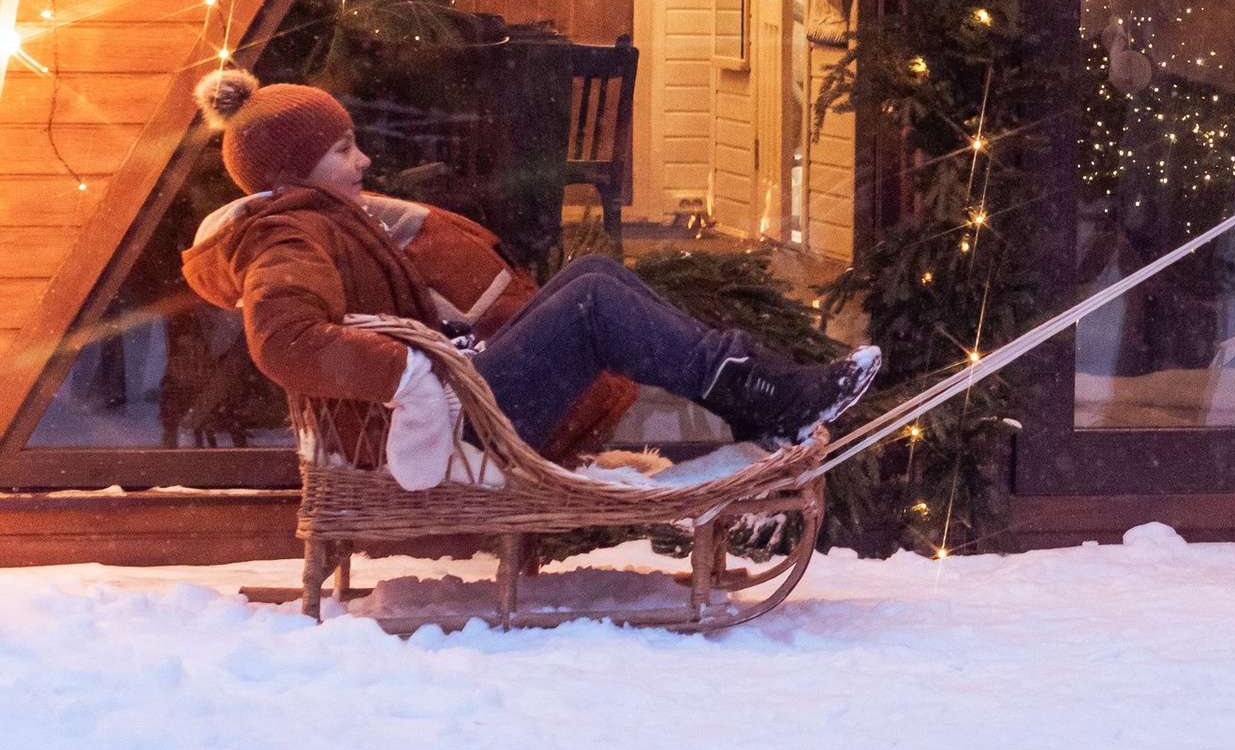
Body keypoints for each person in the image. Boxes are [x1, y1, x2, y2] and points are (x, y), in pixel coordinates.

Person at [181, 68, 878, 487]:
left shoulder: (315, 218)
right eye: (342, 150)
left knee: (593, 272)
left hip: (454, 396)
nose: (362, 161)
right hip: (442, 429)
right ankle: (770, 394)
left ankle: (754, 395)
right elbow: (284, 340)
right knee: (593, 300)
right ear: (292, 169)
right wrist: (409, 376)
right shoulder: (284, 236)